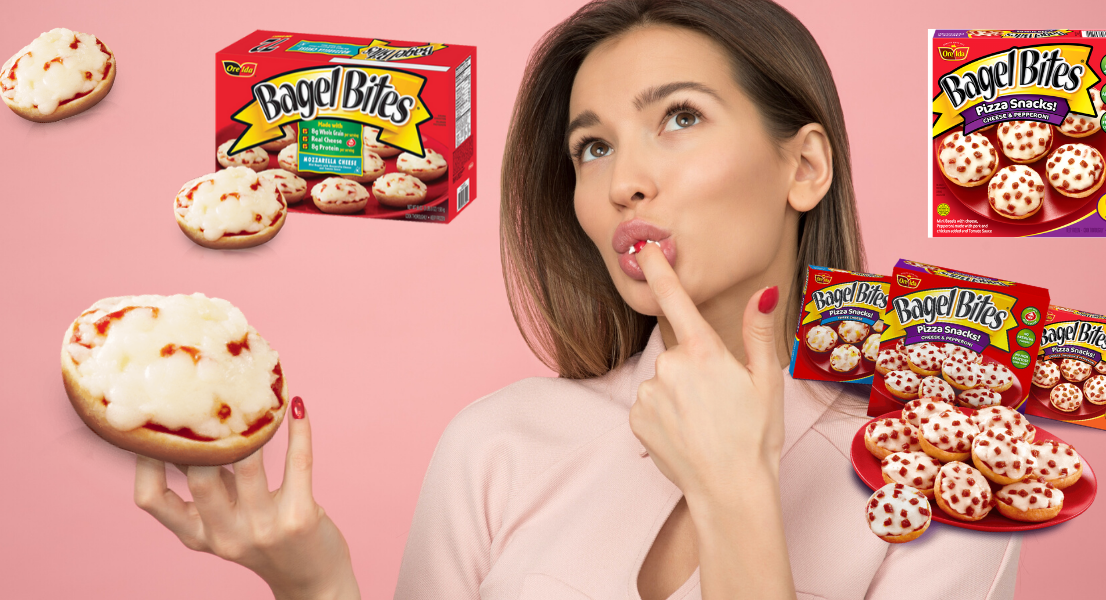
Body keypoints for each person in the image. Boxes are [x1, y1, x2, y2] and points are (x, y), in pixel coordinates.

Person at [134, 1, 1021, 599]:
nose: (624, 182)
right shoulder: (499, 442)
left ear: (805, 166)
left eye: (679, 117)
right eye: (592, 147)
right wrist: (317, 582)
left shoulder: (955, 473)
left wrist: (736, 496)